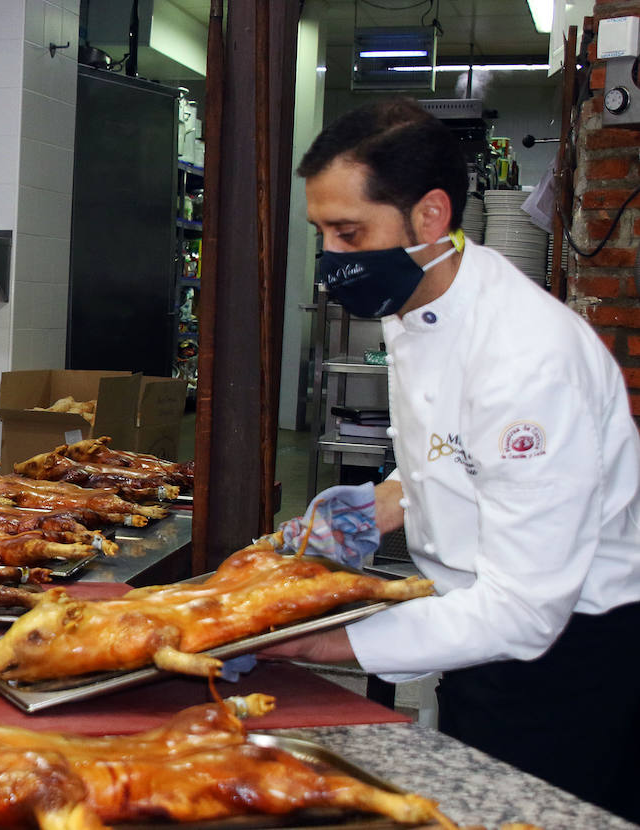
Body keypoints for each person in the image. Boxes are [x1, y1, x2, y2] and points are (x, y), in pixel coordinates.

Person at [264, 97, 640, 822]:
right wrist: (393, 498)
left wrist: (327, 641)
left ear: (430, 216)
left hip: (564, 661)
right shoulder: (424, 299)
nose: (333, 261)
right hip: (478, 632)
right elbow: (454, 444)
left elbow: (526, 612)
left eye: (350, 233)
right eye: (323, 235)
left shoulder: (527, 360)